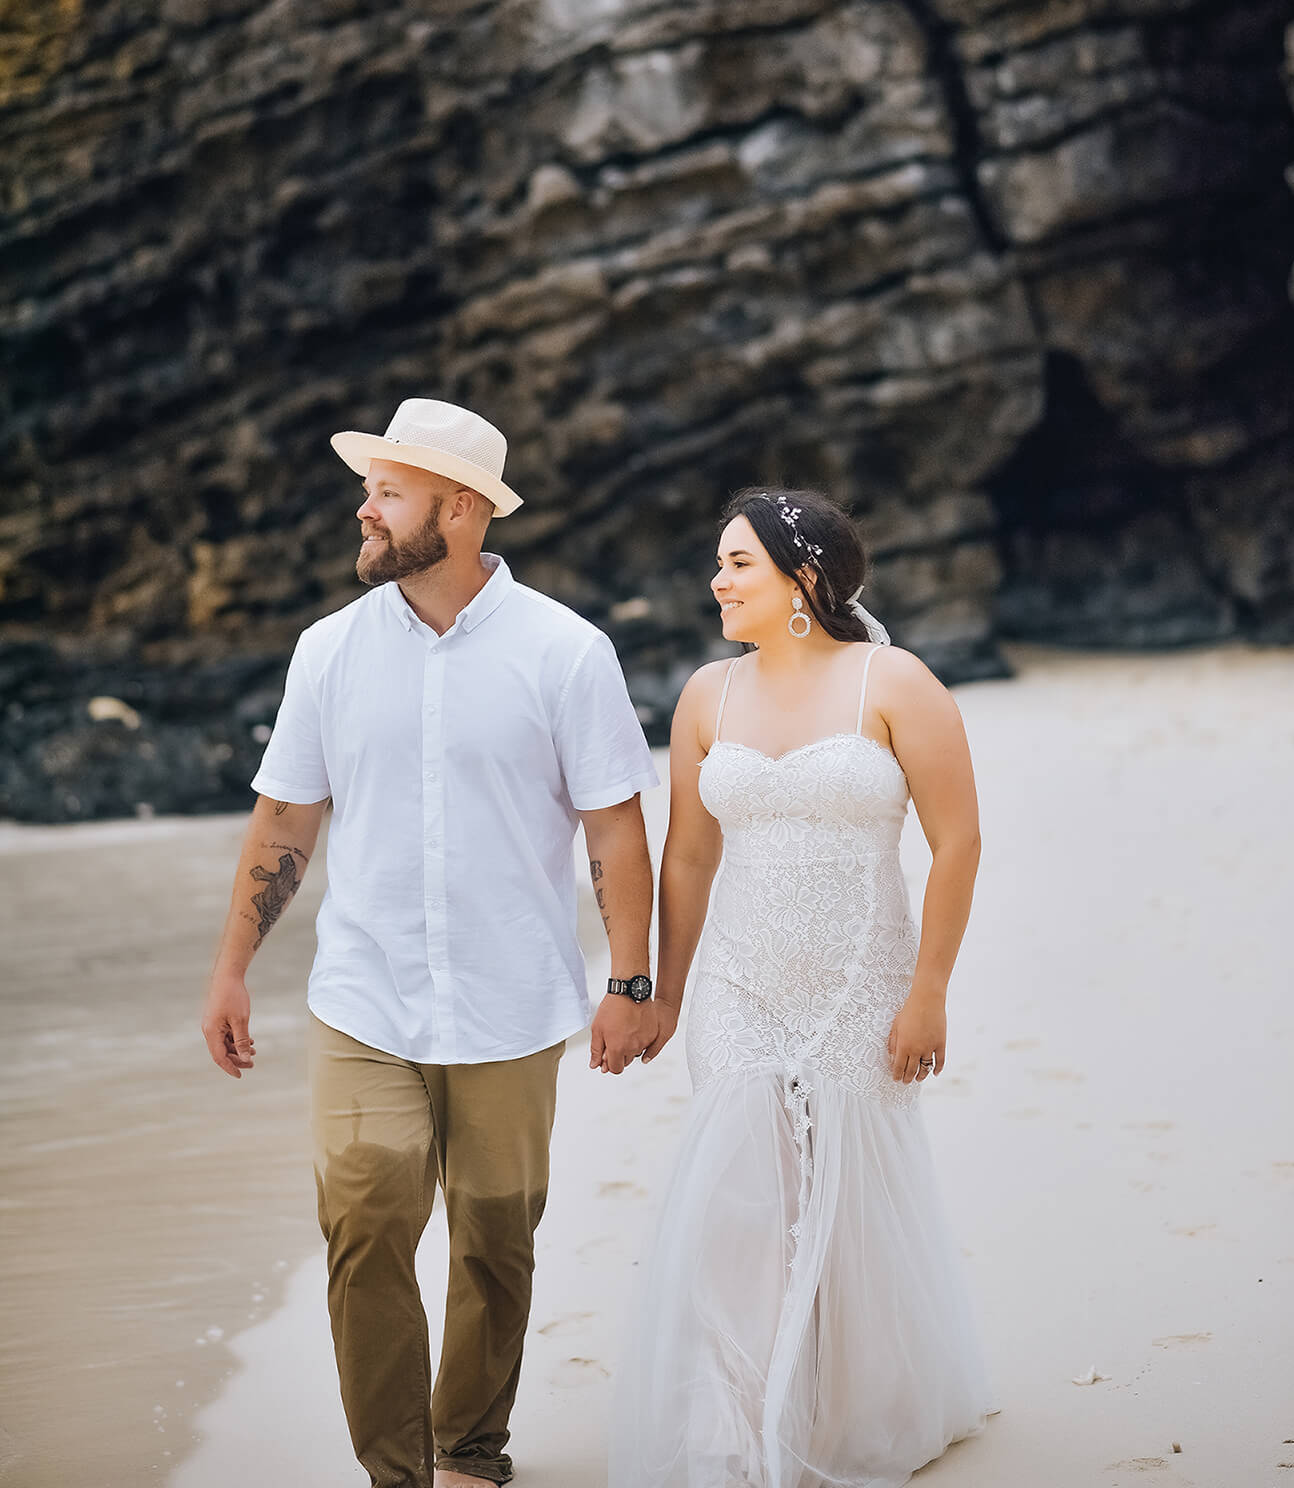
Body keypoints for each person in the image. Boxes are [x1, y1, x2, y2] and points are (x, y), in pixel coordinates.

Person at [202, 396, 660, 1488]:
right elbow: (284, 818)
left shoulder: (565, 650)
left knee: (495, 1243)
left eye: (387, 492)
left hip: (515, 999)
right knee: (364, 1221)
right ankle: (397, 1473)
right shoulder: (326, 651)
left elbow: (614, 823)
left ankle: (469, 1448)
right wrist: (230, 967)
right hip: (365, 994)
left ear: (456, 509)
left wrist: (631, 978)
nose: (363, 509)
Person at [610, 486, 989, 1488]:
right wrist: (669, 993)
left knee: (845, 1198)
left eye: (737, 562)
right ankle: (735, 1430)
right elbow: (685, 859)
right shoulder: (705, 694)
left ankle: (841, 1409)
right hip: (738, 980)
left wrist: (927, 994)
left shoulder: (893, 681)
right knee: (740, 1200)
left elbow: (957, 844)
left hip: (860, 980)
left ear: (802, 578)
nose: (716, 580)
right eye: (718, 562)